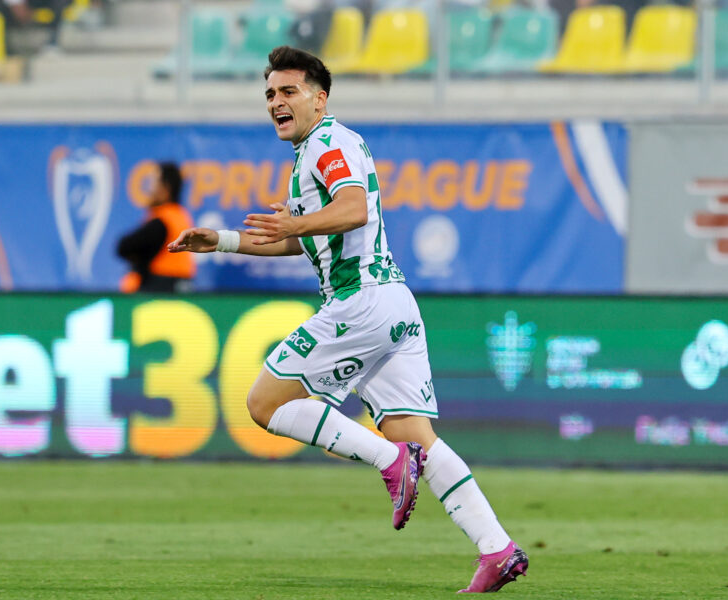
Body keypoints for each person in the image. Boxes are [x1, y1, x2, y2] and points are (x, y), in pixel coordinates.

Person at [168, 46, 528, 593]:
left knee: (265, 403)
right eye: (270, 93)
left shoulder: (327, 143)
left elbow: (353, 208)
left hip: (360, 302)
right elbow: (303, 241)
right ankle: (496, 548)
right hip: (393, 304)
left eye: (288, 91)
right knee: (419, 436)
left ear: (320, 98)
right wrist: (221, 241)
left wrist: (299, 221)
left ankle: (390, 461)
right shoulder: (319, 150)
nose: (276, 102)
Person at [117, 161, 195, 293]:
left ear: (165, 188)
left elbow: (124, 246)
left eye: (153, 182)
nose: (149, 189)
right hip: (180, 287)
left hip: (161, 289)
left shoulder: (162, 222)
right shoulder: (181, 216)